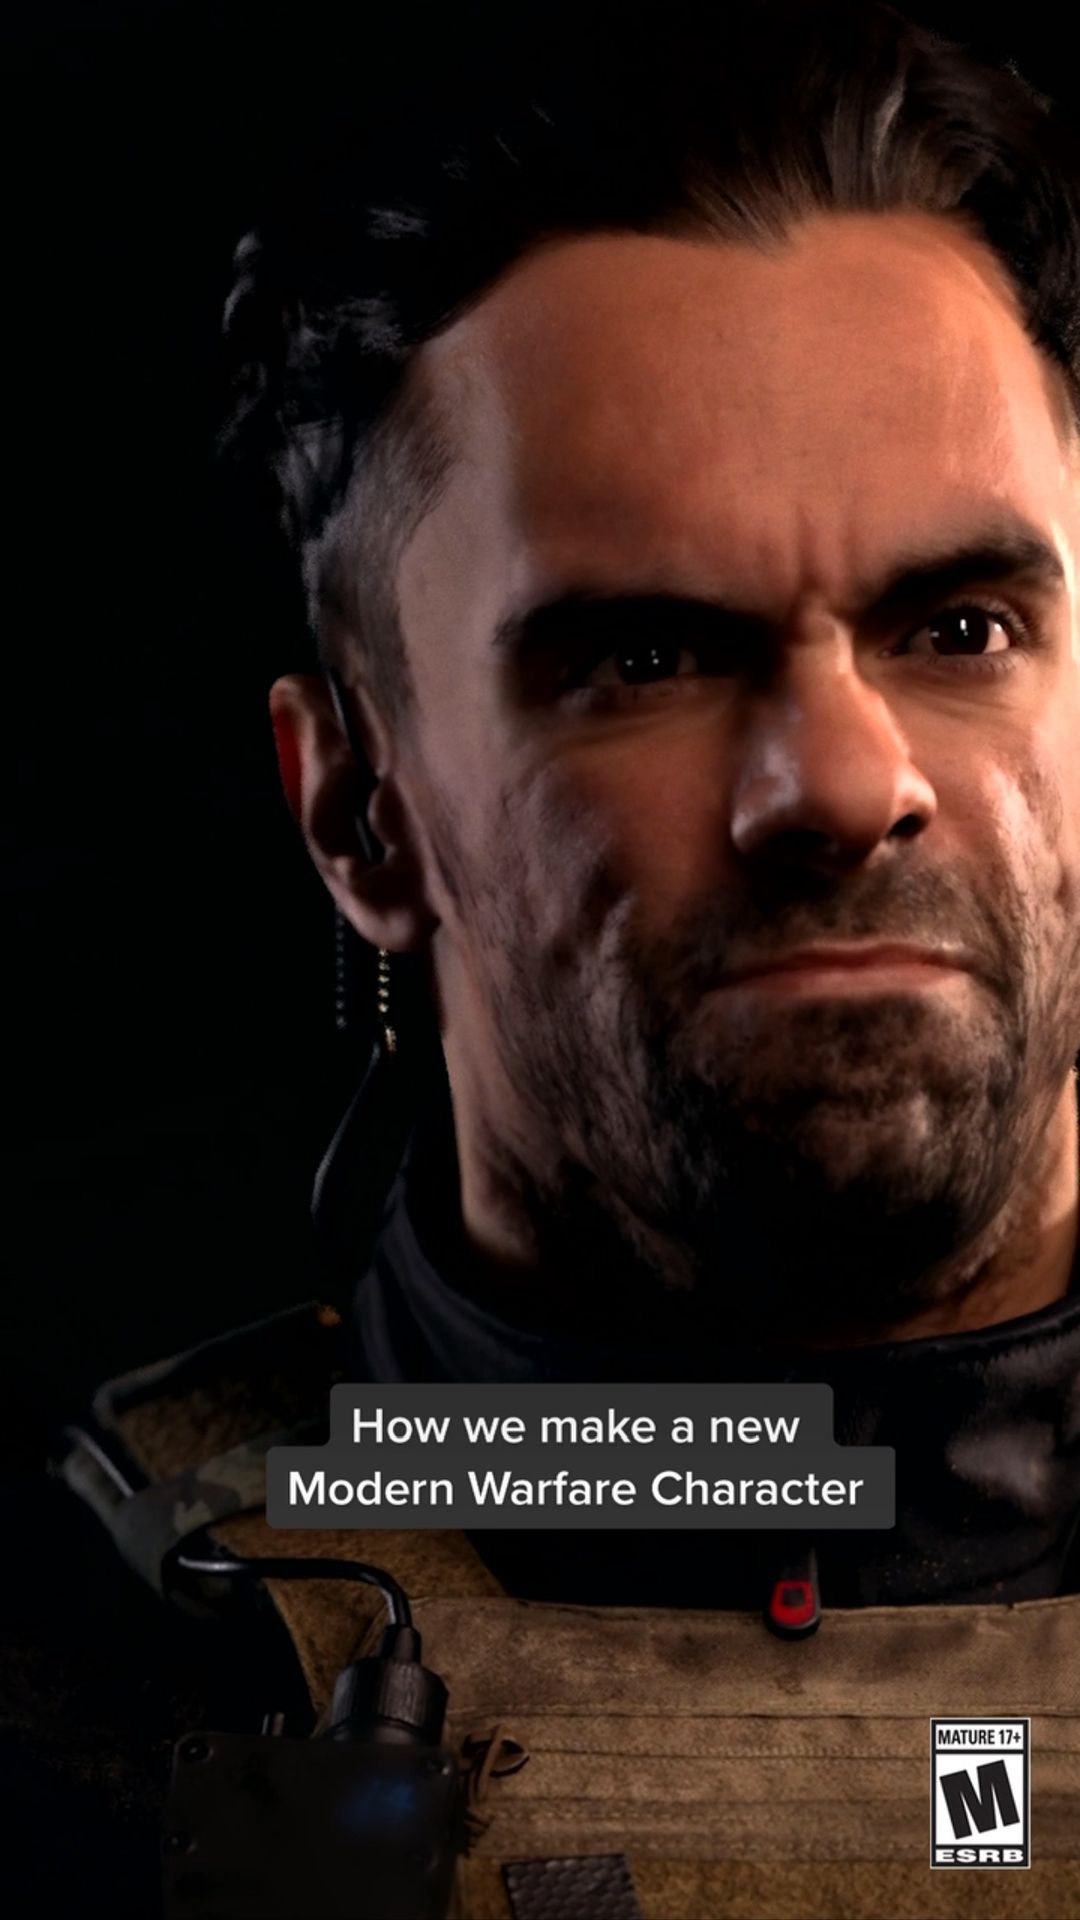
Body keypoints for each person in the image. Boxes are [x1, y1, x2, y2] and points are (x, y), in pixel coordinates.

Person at [20, 2, 1080, 1915]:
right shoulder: (98, 1673)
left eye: (964, 629)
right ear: (358, 811)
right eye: (642, 658)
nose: (849, 783)